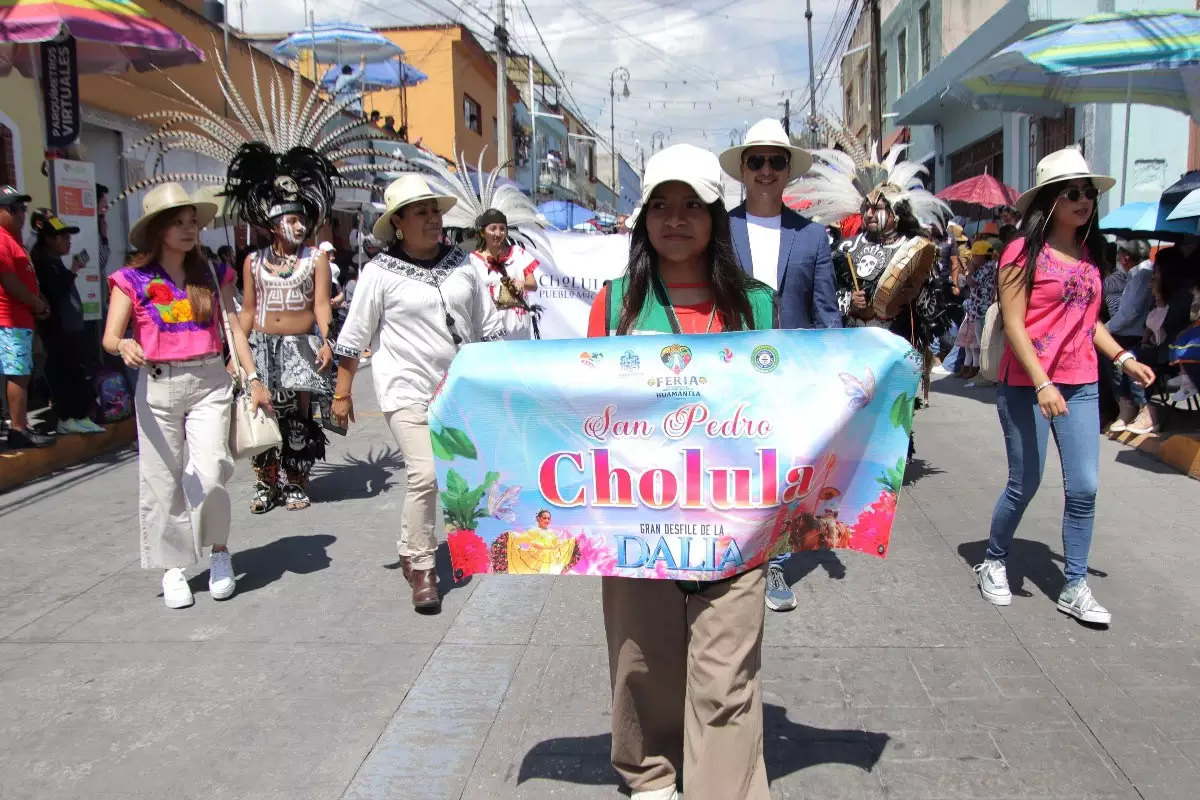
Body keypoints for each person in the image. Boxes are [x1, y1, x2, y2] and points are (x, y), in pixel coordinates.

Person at [587, 144, 775, 800]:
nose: (676, 219)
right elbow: (583, 411)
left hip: (736, 532)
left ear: (716, 218)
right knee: (642, 666)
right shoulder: (615, 306)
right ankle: (650, 777)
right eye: (661, 206)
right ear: (642, 222)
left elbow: (786, 408)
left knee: (727, 683)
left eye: (692, 205)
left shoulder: (758, 305)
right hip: (637, 528)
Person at [975, 148, 1154, 625]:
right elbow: (1014, 325)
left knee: (1085, 488)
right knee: (1025, 482)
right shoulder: (1020, 251)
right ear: (1051, 201)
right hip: (1028, 383)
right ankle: (993, 558)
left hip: (1082, 382)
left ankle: (1075, 584)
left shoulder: (1090, 256)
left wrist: (1123, 357)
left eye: (1089, 193)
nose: (1084, 201)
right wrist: (1042, 382)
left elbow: (1087, 320)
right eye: (1073, 193)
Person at [331, 174, 504, 612]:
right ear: (399, 223)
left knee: (457, 478)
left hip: (459, 389)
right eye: (421, 212)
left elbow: (487, 327)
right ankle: (425, 569)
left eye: (435, 211)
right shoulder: (378, 273)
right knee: (424, 474)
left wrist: (501, 377)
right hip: (405, 387)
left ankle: (410, 547)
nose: (432, 219)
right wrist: (343, 391)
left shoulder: (464, 264)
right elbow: (354, 336)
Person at [103, 183, 271, 608]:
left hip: (210, 381)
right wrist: (123, 346)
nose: (188, 229)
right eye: (178, 223)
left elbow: (234, 327)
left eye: (193, 222)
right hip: (157, 385)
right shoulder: (131, 279)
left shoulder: (213, 274)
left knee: (212, 470)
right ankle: (173, 565)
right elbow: (110, 336)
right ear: (158, 230)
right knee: (162, 480)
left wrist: (253, 379)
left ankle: (218, 552)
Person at [719, 117, 840, 613]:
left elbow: (826, 311)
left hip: (791, 377)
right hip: (732, 374)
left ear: (788, 170)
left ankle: (769, 562)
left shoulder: (811, 237)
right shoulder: (720, 229)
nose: (766, 169)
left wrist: (835, 377)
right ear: (743, 170)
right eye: (757, 161)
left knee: (780, 471)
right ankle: (731, 552)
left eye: (776, 161)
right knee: (735, 469)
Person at [237, 205, 335, 514]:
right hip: (261, 347)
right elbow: (249, 310)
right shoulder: (253, 262)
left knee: (297, 418)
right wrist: (236, 355)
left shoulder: (316, 259)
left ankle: (295, 481)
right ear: (273, 225)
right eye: (291, 219)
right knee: (264, 415)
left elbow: (321, 304)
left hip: (299, 346)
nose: (299, 225)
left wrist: (327, 339)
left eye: (302, 219)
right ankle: (267, 483)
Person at [29, 209, 104, 434]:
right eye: (63, 237)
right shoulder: (42, 264)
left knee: (77, 372)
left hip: (71, 330)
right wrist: (73, 269)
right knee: (66, 374)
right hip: (59, 331)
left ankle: (78, 415)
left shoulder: (55, 262)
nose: (68, 241)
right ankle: (68, 418)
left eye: (69, 237)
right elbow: (54, 293)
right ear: (50, 240)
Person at [0, 185, 54, 449]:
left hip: (21, 320)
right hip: (8, 321)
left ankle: (20, 426)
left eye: (22, 209)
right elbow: (9, 281)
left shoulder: (14, 240)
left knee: (21, 374)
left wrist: (39, 301)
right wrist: (36, 303)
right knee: (17, 375)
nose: (22, 214)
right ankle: (19, 429)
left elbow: (26, 278)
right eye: (15, 209)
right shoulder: (0, 239)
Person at [1105, 239, 1154, 433]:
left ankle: (1140, 408)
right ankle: (1126, 407)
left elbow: (1130, 312)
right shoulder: (1135, 274)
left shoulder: (1142, 275)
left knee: (1115, 358)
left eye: (1119, 254)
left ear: (1125, 258)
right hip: (1127, 331)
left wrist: (1106, 329)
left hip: (1134, 334)